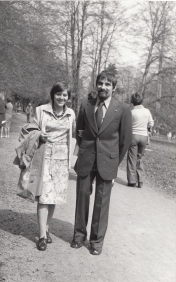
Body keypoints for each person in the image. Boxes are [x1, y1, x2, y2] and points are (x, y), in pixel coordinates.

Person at [70, 68, 132, 256]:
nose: (103, 87)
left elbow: (125, 141)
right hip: (86, 159)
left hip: (108, 162)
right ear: (96, 85)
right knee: (82, 198)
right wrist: (84, 152)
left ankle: (96, 241)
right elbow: (79, 133)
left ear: (113, 88)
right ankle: (79, 236)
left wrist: (114, 162)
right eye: (101, 83)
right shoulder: (86, 105)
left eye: (107, 84)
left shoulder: (123, 109)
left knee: (101, 203)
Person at [32, 81, 75, 251]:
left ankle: (47, 229)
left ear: (68, 97)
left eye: (65, 95)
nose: (61, 97)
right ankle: (42, 235)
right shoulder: (41, 110)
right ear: (53, 94)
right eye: (58, 94)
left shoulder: (71, 113)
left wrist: (71, 162)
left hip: (62, 160)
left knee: (54, 198)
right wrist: (39, 135)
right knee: (44, 196)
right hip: (45, 157)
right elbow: (31, 129)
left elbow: (71, 137)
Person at [127, 93, 154, 188]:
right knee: (140, 158)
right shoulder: (147, 111)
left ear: (132, 101)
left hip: (133, 136)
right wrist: (148, 129)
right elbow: (151, 123)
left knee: (131, 159)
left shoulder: (131, 112)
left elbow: (128, 125)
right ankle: (140, 180)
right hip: (144, 136)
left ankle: (132, 181)